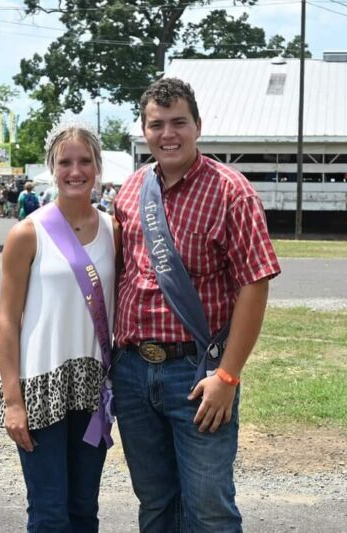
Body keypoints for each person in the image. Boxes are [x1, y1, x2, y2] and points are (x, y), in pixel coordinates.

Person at [112, 78, 281, 532]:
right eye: (156, 124)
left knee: (208, 507)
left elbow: (255, 283)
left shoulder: (232, 191)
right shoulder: (129, 192)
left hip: (198, 373)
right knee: (155, 504)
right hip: (131, 371)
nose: (168, 134)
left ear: (198, 127)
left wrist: (227, 375)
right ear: (144, 131)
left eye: (178, 123)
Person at [0, 122, 117, 532]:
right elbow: (8, 321)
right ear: (52, 168)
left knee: (84, 511)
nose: (75, 171)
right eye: (65, 162)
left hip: (93, 388)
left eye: (85, 161)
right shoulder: (27, 233)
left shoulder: (116, 231)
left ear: (98, 167)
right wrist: (13, 401)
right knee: (49, 514)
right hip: (41, 387)